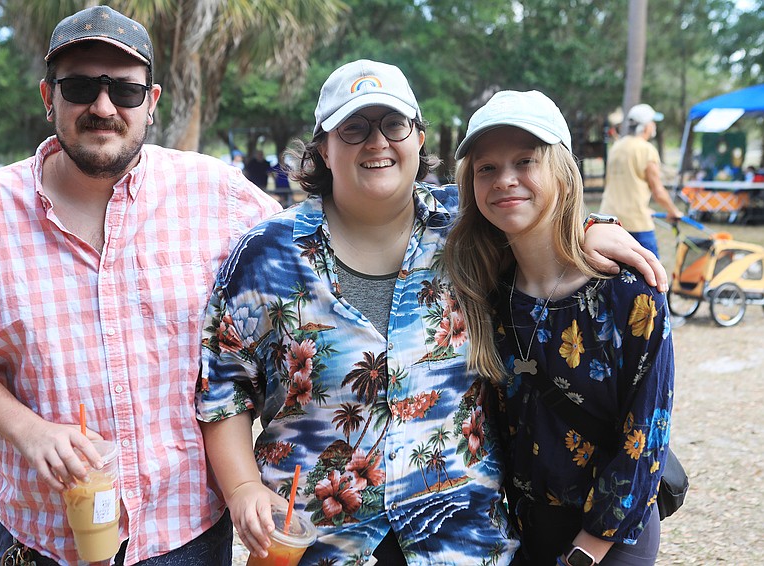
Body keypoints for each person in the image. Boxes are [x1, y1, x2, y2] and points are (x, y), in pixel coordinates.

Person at [196, 60, 666, 565]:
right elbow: (223, 387)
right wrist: (243, 486)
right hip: (318, 542)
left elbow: (539, 215)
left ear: (418, 138)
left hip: (460, 540)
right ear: (323, 151)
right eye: (353, 128)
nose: (376, 142)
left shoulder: (468, 230)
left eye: (393, 124)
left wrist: (591, 228)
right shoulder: (267, 255)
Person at [0, 6, 281, 566]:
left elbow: (309, 264)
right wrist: (27, 429)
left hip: (183, 533)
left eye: (125, 92)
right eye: (82, 86)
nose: (103, 107)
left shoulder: (220, 197)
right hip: (45, 536)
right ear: (48, 97)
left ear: (152, 103)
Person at [445, 90, 674, 566]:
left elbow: (646, 437)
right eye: (486, 168)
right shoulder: (485, 288)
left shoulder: (629, 295)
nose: (505, 179)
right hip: (523, 528)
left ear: (562, 173)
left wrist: (586, 550)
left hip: (610, 538)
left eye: (525, 160)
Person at [599, 103, 685, 258]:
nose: (654, 126)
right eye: (653, 123)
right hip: (635, 223)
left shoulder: (616, 147)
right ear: (646, 127)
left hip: (608, 219)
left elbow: (620, 184)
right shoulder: (646, 149)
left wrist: (645, 208)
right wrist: (673, 211)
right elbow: (658, 191)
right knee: (652, 272)